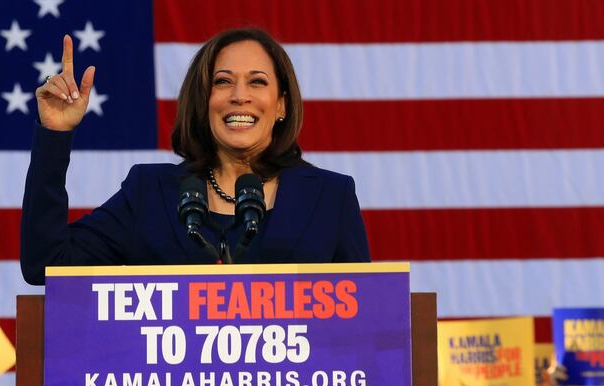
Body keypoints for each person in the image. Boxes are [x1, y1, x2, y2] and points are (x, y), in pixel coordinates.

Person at [21, 28, 370, 284]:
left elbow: (365, 315)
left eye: (258, 82)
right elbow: (47, 263)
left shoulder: (329, 198)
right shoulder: (151, 193)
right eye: (222, 81)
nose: (239, 96)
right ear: (203, 102)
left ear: (281, 104)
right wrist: (55, 134)